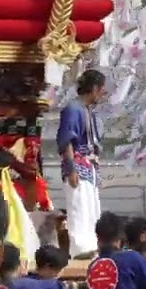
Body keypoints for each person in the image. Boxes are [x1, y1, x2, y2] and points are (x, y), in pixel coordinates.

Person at [57, 69, 106, 256]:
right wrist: (70, 169)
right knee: (78, 207)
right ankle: (80, 249)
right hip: (77, 164)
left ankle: (92, 246)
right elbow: (67, 140)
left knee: (91, 208)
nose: (103, 94)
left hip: (90, 164)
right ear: (94, 88)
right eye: (101, 89)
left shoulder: (88, 111)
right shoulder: (72, 109)